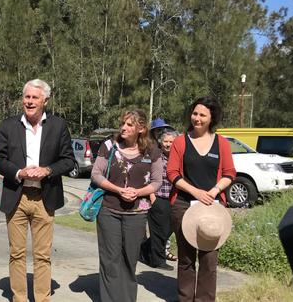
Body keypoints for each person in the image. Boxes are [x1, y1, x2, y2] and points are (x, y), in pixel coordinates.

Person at [0, 78, 75, 302]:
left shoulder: (58, 126)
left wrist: (47, 170)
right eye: (26, 97)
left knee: (42, 255)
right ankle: (19, 298)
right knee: (16, 254)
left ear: (45, 101)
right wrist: (20, 173)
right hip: (16, 197)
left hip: (44, 198)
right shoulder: (8, 125)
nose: (29, 102)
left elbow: (68, 161)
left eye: (34, 98)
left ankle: (42, 298)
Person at [167, 96, 236, 301]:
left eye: (202, 115)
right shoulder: (180, 141)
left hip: (213, 207)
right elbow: (172, 173)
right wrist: (195, 192)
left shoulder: (222, 143)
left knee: (209, 260)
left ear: (211, 118)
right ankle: (185, 298)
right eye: (195, 113)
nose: (197, 118)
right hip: (183, 205)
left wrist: (214, 191)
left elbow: (230, 173)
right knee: (186, 259)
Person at [91, 109, 162, 302]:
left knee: (130, 260)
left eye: (129, 124)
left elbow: (157, 182)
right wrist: (118, 190)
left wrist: (137, 192)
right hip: (108, 210)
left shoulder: (153, 151)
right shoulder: (108, 146)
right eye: (123, 123)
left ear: (141, 128)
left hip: (137, 213)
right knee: (110, 260)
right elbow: (96, 174)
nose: (123, 127)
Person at [140, 128, 179, 270]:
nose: (168, 144)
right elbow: (146, 176)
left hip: (173, 198)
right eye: (165, 141)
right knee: (159, 231)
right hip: (158, 197)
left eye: (171, 141)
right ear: (161, 142)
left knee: (170, 229)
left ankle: (145, 247)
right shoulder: (155, 156)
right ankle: (158, 261)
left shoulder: (178, 157)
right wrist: (152, 196)